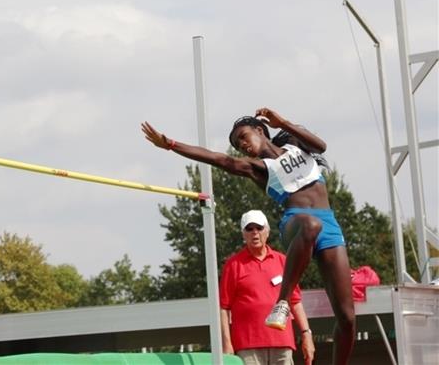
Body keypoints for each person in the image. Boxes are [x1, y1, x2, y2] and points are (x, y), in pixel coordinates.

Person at [141, 107, 355, 365]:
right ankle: (282, 302)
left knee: (348, 318)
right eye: (236, 144)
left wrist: (283, 122)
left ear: (260, 130)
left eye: (243, 137)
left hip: (329, 223)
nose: (241, 145)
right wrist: (172, 145)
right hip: (295, 221)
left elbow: (320, 145)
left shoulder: (295, 143)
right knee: (310, 225)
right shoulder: (258, 168)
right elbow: (217, 158)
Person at [220, 209, 314, 365]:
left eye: (259, 228)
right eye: (249, 229)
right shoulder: (233, 265)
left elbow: (295, 301)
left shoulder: (283, 261)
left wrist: (306, 334)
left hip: (282, 343)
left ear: (267, 232)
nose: (255, 233)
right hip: (247, 346)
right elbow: (223, 308)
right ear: (243, 234)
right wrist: (226, 343)